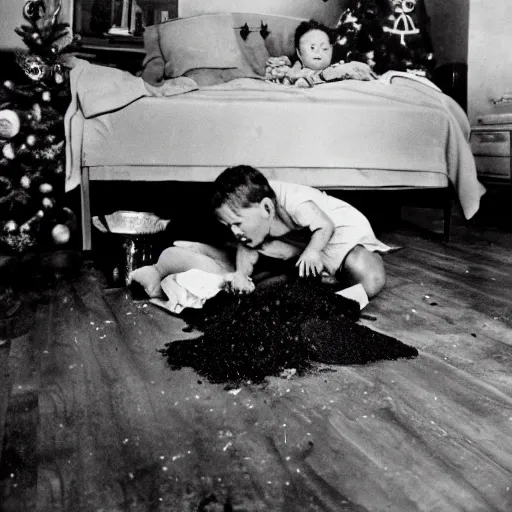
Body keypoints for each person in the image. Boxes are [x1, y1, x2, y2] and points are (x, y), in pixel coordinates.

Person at [129, 165, 389, 300]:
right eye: (228, 225)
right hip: (298, 248)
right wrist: (241, 276)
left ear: (266, 207)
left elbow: (325, 226)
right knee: (263, 279)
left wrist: (312, 252)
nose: (234, 231)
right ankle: (321, 282)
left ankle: (343, 289)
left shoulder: (295, 201)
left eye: (237, 223)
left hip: (340, 241)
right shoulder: (255, 224)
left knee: (369, 277)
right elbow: (247, 249)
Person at [265, 19, 376, 87]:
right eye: (312, 48)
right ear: (299, 53)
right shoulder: (288, 69)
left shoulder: (341, 68)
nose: (318, 52)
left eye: (325, 49)